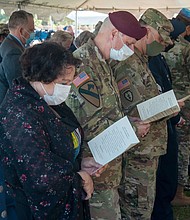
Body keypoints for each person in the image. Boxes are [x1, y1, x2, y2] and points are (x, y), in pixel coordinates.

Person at [66, 10, 148, 220]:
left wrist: (127, 121)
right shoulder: (82, 65)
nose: (131, 50)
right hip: (95, 171)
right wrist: (131, 129)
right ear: (113, 34)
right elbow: (89, 122)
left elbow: (107, 110)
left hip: (107, 168)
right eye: (129, 43)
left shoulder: (104, 63)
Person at [0, 42, 95, 219]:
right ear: (43, 77)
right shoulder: (20, 112)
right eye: (63, 83)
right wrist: (78, 179)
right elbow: (40, 175)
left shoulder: (48, 100)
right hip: (32, 209)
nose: (67, 89)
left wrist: (80, 163)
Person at [111, 8, 174, 219]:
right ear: (147, 31)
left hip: (147, 150)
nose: (162, 44)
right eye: (159, 38)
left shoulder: (142, 60)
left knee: (144, 206)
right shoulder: (128, 62)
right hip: (137, 151)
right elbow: (135, 109)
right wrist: (168, 107)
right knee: (136, 209)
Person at [163, 11, 190, 206]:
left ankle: (171, 187)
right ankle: (179, 192)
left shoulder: (164, 47)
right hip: (185, 103)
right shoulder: (185, 49)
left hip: (167, 102)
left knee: (173, 145)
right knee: (184, 147)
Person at [0, 10, 35, 104]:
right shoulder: (13, 51)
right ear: (21, 31)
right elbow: (18, 85)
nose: (33, 33)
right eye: (31, 30)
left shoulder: (10, 44)